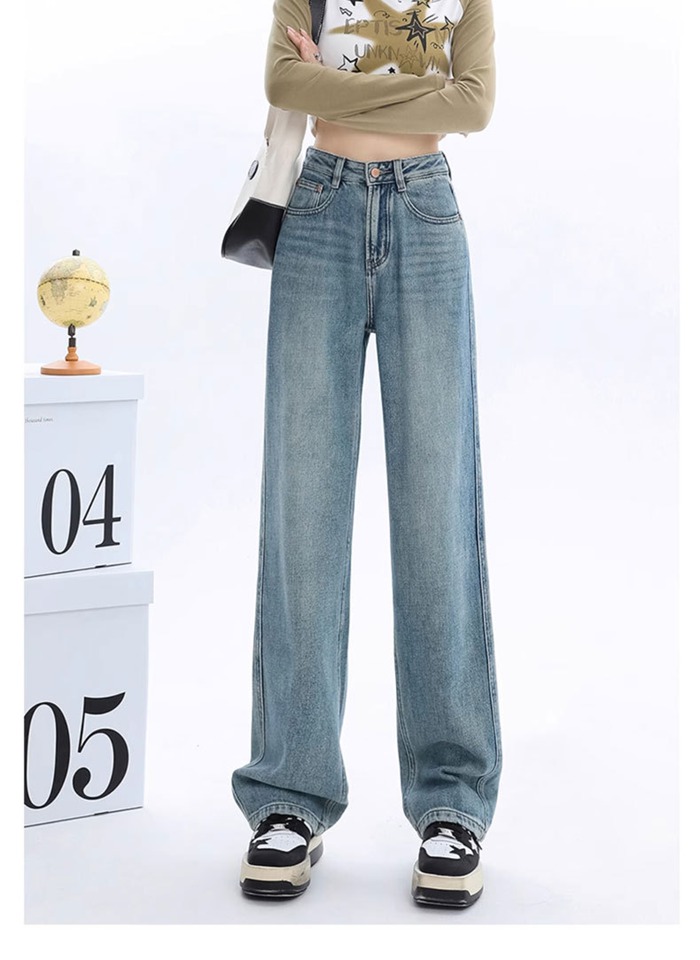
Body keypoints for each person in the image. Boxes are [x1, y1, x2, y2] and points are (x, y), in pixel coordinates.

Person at [230, 0, 502, 910]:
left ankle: (452, 804)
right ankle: (289, 794)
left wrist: (335, 86)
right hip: (318, 212)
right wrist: (417, 91)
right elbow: (283, 83)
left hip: (427, 215)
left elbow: (474, 107)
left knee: (437, 518)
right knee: (302, 513)